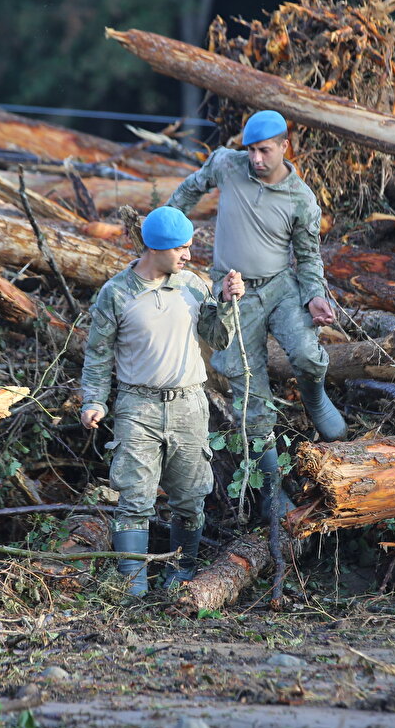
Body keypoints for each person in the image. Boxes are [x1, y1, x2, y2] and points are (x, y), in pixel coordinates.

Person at [167, 110, 347, 517]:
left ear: (285, 146)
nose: (256, 159)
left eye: (264, 150)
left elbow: (307, 256)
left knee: (306, 352)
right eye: (250, 149)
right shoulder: (227, 165)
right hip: (233, 291)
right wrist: (166, 232)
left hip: (281, 287)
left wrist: (315, 295)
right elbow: (189, 191)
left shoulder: (301, 199)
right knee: (249, 389)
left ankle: (316, 401)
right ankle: (270, 491)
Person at [80, 206, 245, 597]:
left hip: (189, 404)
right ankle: (132, 586)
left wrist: (225, 303)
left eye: (189, 247)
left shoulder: (193, 284)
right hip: (138, 408)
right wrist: (94, 401)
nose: (188, 255)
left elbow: (217, 339)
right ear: (155, 248)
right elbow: (98, 354)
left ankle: (181, 573)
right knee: (134, 499)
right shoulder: (116, 293)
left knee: (191, 498)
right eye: (181, 248)